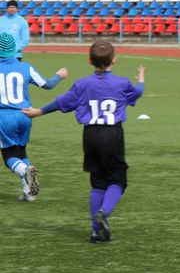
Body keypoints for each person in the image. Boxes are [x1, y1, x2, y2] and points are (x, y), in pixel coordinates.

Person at [23, 41, 142, 243]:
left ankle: (97, 232)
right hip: (112, 133)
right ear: (114, 60)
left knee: (97, 182)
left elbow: (61, 102)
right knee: (118, 180)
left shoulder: (82, 84)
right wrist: (141, 80)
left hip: (90, 134)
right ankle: (104, 212)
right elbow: (136, 93)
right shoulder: (122, 82)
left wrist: (39, 112)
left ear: (89, 61)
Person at [0, 32, 66, 202]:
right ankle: (28, 191)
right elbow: (48, 85)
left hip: (4, 116)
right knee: (21, 151)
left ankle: (25, 171)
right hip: (26, 115)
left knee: (9, 156)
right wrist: (59, 75)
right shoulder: (26, 67)